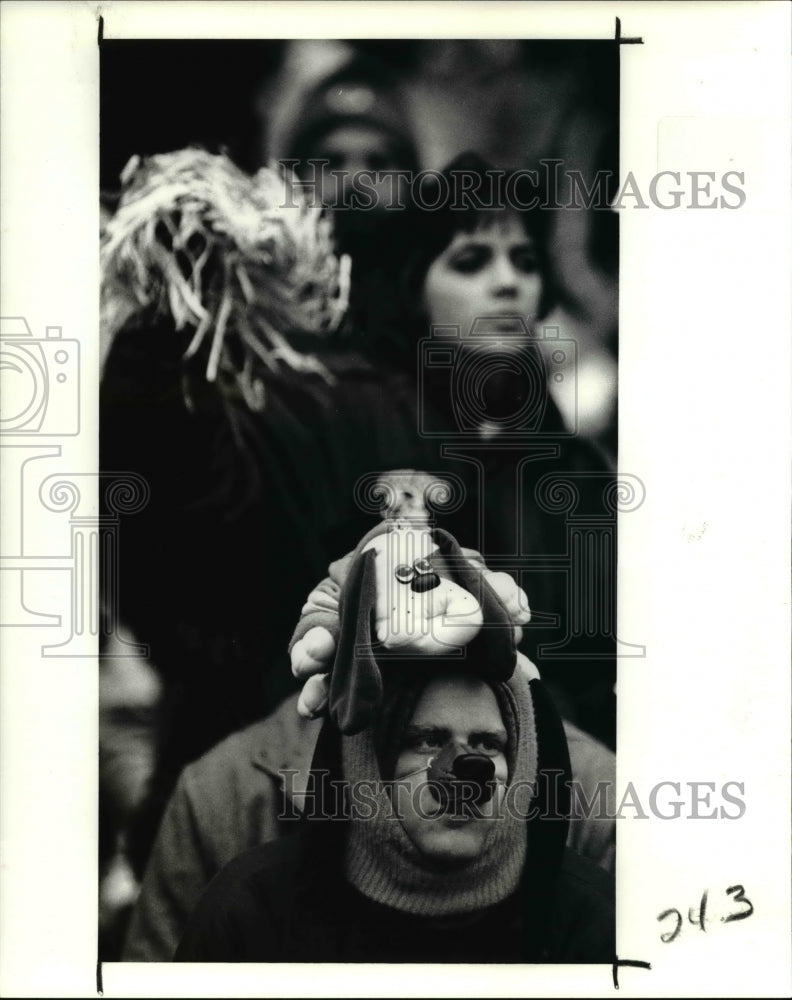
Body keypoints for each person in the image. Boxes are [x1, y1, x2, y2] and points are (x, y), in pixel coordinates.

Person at [174, 522, 614, 964]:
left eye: (488, 742)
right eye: (426, 739)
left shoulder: (590, 921)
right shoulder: (252, 915)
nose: (467, 766)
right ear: (367, 761)